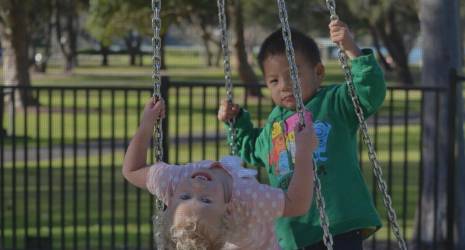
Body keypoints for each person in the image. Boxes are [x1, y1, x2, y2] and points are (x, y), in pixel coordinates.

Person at [218, 20, 385, 250]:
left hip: (339, 226)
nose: (284, 86)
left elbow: (369, 89)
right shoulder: (274, 127)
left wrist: (351, 50)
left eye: (293, 74)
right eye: (274, 80)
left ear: (318, 72)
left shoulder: (334, 103)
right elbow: (250, 148)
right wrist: (235, 121)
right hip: (293, 234)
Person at [122, 97, 319, 250]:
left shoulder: (174, 181)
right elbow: (297, 203)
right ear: (229, 209)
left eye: (185, 197)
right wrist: (304, 153)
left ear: (170, 198)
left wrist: (146, 124)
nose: (197, 187)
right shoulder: (248, 199)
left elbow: (132, 170)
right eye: (206, 200)